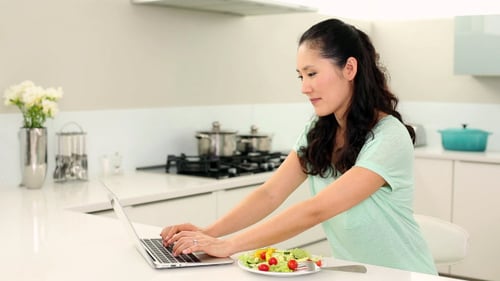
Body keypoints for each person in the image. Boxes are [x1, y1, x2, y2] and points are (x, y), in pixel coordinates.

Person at [160, 18, 437, 275]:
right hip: (359, 275)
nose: (305, 87)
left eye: (312, 73)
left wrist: (229, 245)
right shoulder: (318, 132)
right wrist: (209, 233)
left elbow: (317, 209)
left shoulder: (389, 136)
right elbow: (270, 193)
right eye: (300, 76)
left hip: (405, 275)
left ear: (349, 68)